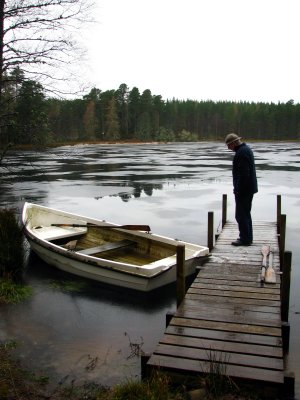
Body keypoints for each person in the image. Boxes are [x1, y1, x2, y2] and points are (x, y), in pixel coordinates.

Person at [225, 133, 258, 246]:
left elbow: (244, 174)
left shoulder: (241, 153)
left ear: (233, 143)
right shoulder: (246, 149)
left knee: (241, 215)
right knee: (245, 213)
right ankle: (248, 238)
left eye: (228, 145)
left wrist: (238, 189)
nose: (228, 148)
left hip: (244, 190)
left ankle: (244, 239)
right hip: (248, 188)